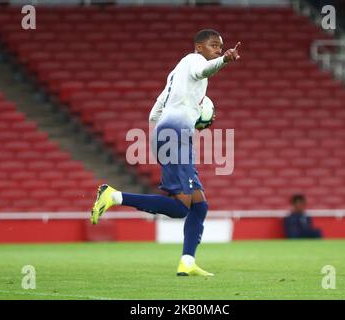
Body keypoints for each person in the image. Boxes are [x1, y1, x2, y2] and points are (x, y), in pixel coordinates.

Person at [90, 29, 241, 276]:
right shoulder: (195, 62)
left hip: (172, 134)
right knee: (182, 207)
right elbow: (205, 70)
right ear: (198, 47)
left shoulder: (175, 76)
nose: (219, 49)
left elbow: (154, 113)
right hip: (177, 134)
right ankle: (114, 196)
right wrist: (224, 60)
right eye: (214, 45)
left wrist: (156, 142)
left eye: (221, 47)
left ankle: (187, 262)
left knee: (199, 205)